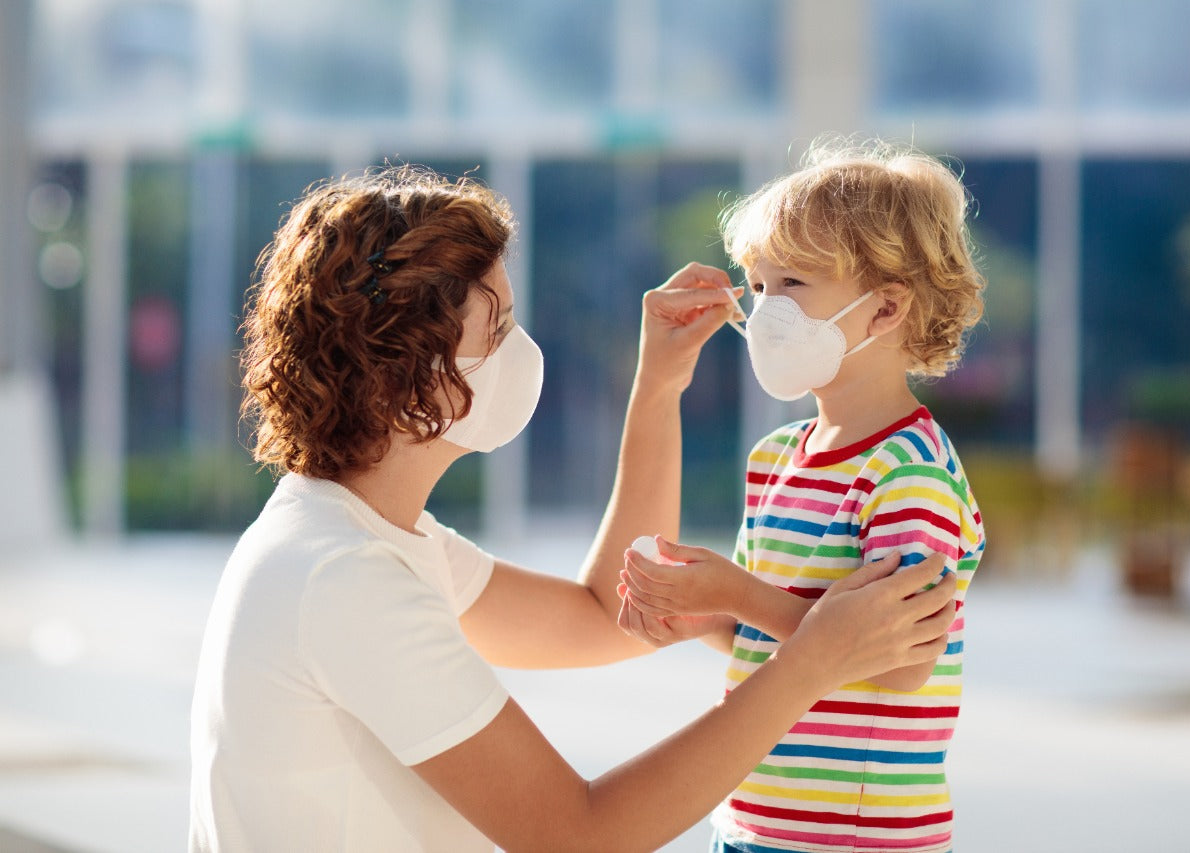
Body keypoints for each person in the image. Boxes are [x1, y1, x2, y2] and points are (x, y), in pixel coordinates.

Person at [187, 165, 957, 853]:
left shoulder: (374, 539)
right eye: (500, 330)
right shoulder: (344, 577)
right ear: (413, 381)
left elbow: (601, 615)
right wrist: (811, 659)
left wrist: (658, 387)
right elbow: (578, 836)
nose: (523, 350)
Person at [617, 139, 987, 853]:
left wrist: (735, 590)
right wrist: (701, 616)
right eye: (756, 287)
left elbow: (906, 658)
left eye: (792, 284)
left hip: (856, 839)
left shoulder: (909, 472)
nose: (763, 311)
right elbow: (772, 632)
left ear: (884, 309)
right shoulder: (776, 458)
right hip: (750, 819)